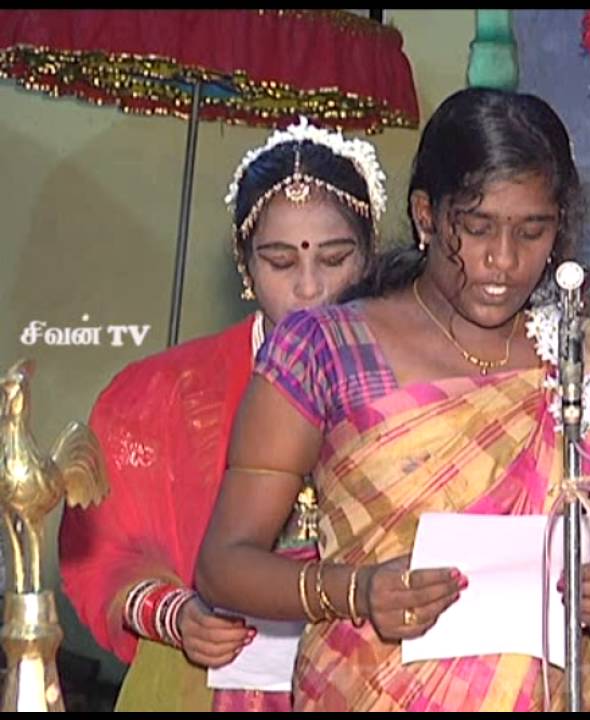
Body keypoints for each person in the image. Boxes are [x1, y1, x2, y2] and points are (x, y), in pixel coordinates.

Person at [195, 87, 590, 711]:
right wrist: (357, 591)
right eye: (477, 227)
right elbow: (223, 565)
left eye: (532, 231)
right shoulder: (323, 350)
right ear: (427, 215)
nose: (503, 260)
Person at [59, 117, 384, 711]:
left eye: (334, 258)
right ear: (244, 264)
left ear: (369, 256)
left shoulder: (412, 390)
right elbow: (99, 550)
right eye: (280, 263)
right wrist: (175, 613)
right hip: (200, 686)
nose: (309, 288)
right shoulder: (158, 396)